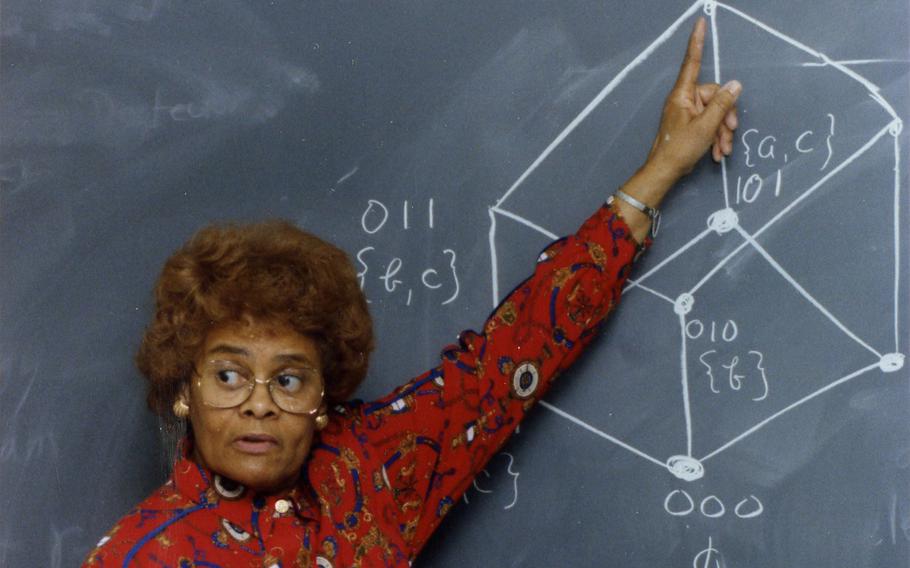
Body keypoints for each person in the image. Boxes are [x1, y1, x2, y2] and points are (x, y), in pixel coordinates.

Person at [84, 18, 740, 567]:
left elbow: (506, 362)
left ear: (322, 399)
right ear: (183, 388)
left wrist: (661, 168)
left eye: (289, 380)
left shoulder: (370, 469)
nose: (259, 405)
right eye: (230, 374)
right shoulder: (143, 554)